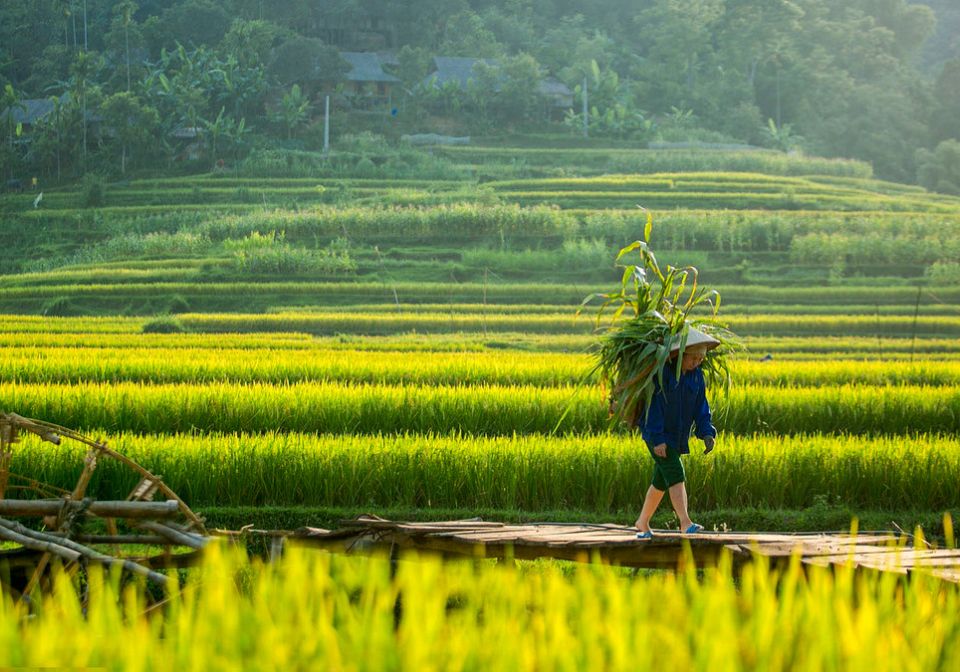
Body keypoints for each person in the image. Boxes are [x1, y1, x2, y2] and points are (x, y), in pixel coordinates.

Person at [634, 327, 719, 539]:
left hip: (677, 436)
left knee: (661, 481)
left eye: (701, 358)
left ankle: (642, 522)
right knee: (676, 472)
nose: (697, 362)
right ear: (680, 355)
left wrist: (707, 432)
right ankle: (685, 522)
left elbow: (701, 407)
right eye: (694, 358)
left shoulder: (696, 377)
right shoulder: (663, 374)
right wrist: (658, 439)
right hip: (658, 436)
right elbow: (652, 408)